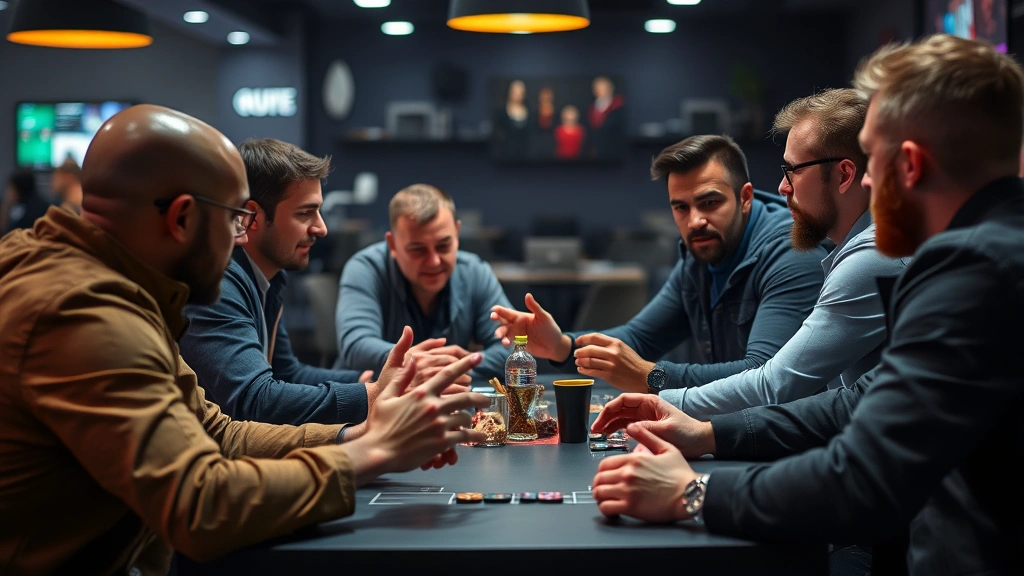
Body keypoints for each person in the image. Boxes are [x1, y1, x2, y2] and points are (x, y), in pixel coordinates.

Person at [590, 35, 1024, 575]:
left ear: (910, 164)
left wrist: (693, 494)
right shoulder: (989, 252)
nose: (867, 180)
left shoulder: (973, 273)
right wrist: (710, 433)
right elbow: (858, 401)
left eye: (873, 159)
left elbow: (862, 477)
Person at [0, 104, 489, 573]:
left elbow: (218, 434)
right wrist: (373, 452)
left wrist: (360, 434)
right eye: (235, 219)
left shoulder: (119, 291)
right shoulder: (82, 313)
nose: (240, 237)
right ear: (182, 218)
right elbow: (200, 504)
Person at [491, 135, 825, 393]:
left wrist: (652, 376)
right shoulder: (700, 255)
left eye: (710, 203)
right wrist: (562, 346)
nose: (695, 221)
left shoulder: (792, 252)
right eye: (681, 207)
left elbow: (763, 376)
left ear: (745, 198)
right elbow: (640, 337)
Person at [179, 138, 468, 429]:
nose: (321, 228)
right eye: (305, 213)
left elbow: (287, 374)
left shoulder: (268, 277)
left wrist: (380, 382)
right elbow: (255, 401)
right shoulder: (216, 283)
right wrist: (373, 394)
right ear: (252, 217)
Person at [661, 89, 907, 420]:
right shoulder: (876, 243)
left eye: (794, 170)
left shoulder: (873, 257)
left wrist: (664, 403)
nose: (782, 187)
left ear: (844, 175)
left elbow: (776, 385)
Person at [336, 183, 513, 380]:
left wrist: (458, 366)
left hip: (449, 396)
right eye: (418, 249)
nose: (434, 261)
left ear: (457, 234)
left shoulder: (474, 271)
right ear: (392, 244)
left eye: (443, 246)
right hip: (372, 396)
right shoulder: (365, 269)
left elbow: (511, 348)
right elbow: (356, 346)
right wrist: (417, 362)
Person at [586, 76, 626, 158]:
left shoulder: (618, 106)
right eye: (598, 88)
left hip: (613, 148)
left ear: (610, 89)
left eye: (604, 88)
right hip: (597, 148)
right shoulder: (592, 107)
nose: (601, 91)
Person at [1, 169, 49, 234]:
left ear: (19, 189)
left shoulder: (27, 211)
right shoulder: (42, 204)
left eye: (11, 188)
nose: (8, 192)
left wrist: (6, 207)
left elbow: (9, 233)